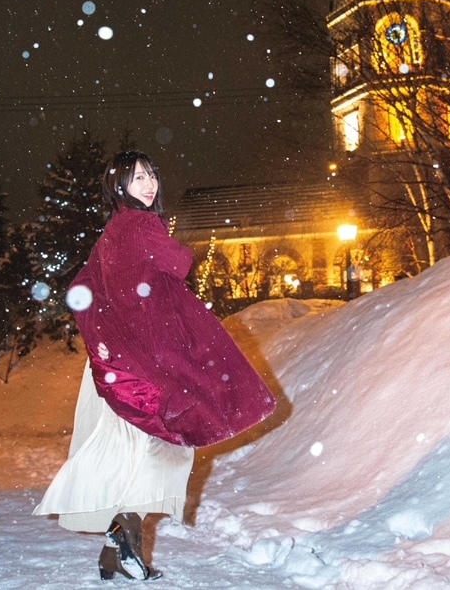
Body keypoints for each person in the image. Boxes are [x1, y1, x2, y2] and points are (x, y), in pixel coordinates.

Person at [34, 150, 277, 580]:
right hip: (156, 357)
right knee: (164, 447)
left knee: (131, 449)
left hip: (121, 363)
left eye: (150, 176)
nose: (148, 185)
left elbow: (81, 288)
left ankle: (117, 553)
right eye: (137, 178)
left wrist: (105, 333)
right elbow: (180, 264)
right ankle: (125, 532)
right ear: (118, 187)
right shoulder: (142, 224)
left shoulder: (110, 232)